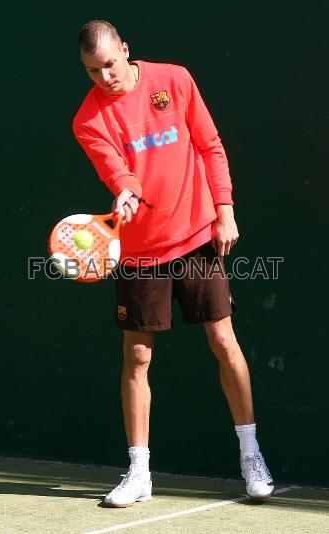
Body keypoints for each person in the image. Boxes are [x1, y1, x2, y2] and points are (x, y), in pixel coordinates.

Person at [73, 19, 274, 507]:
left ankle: (252, 456)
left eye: (110, 65)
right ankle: (139, 472)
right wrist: (124, 192)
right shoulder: (88, 120)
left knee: (223, 339)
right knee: (137, 357)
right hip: (141, 250)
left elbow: (209, 145)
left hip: (196, 233)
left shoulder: (175, 80)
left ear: (125, 49)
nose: (104, 78)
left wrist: (224, 211)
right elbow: (119, 172)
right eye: (92, 71)